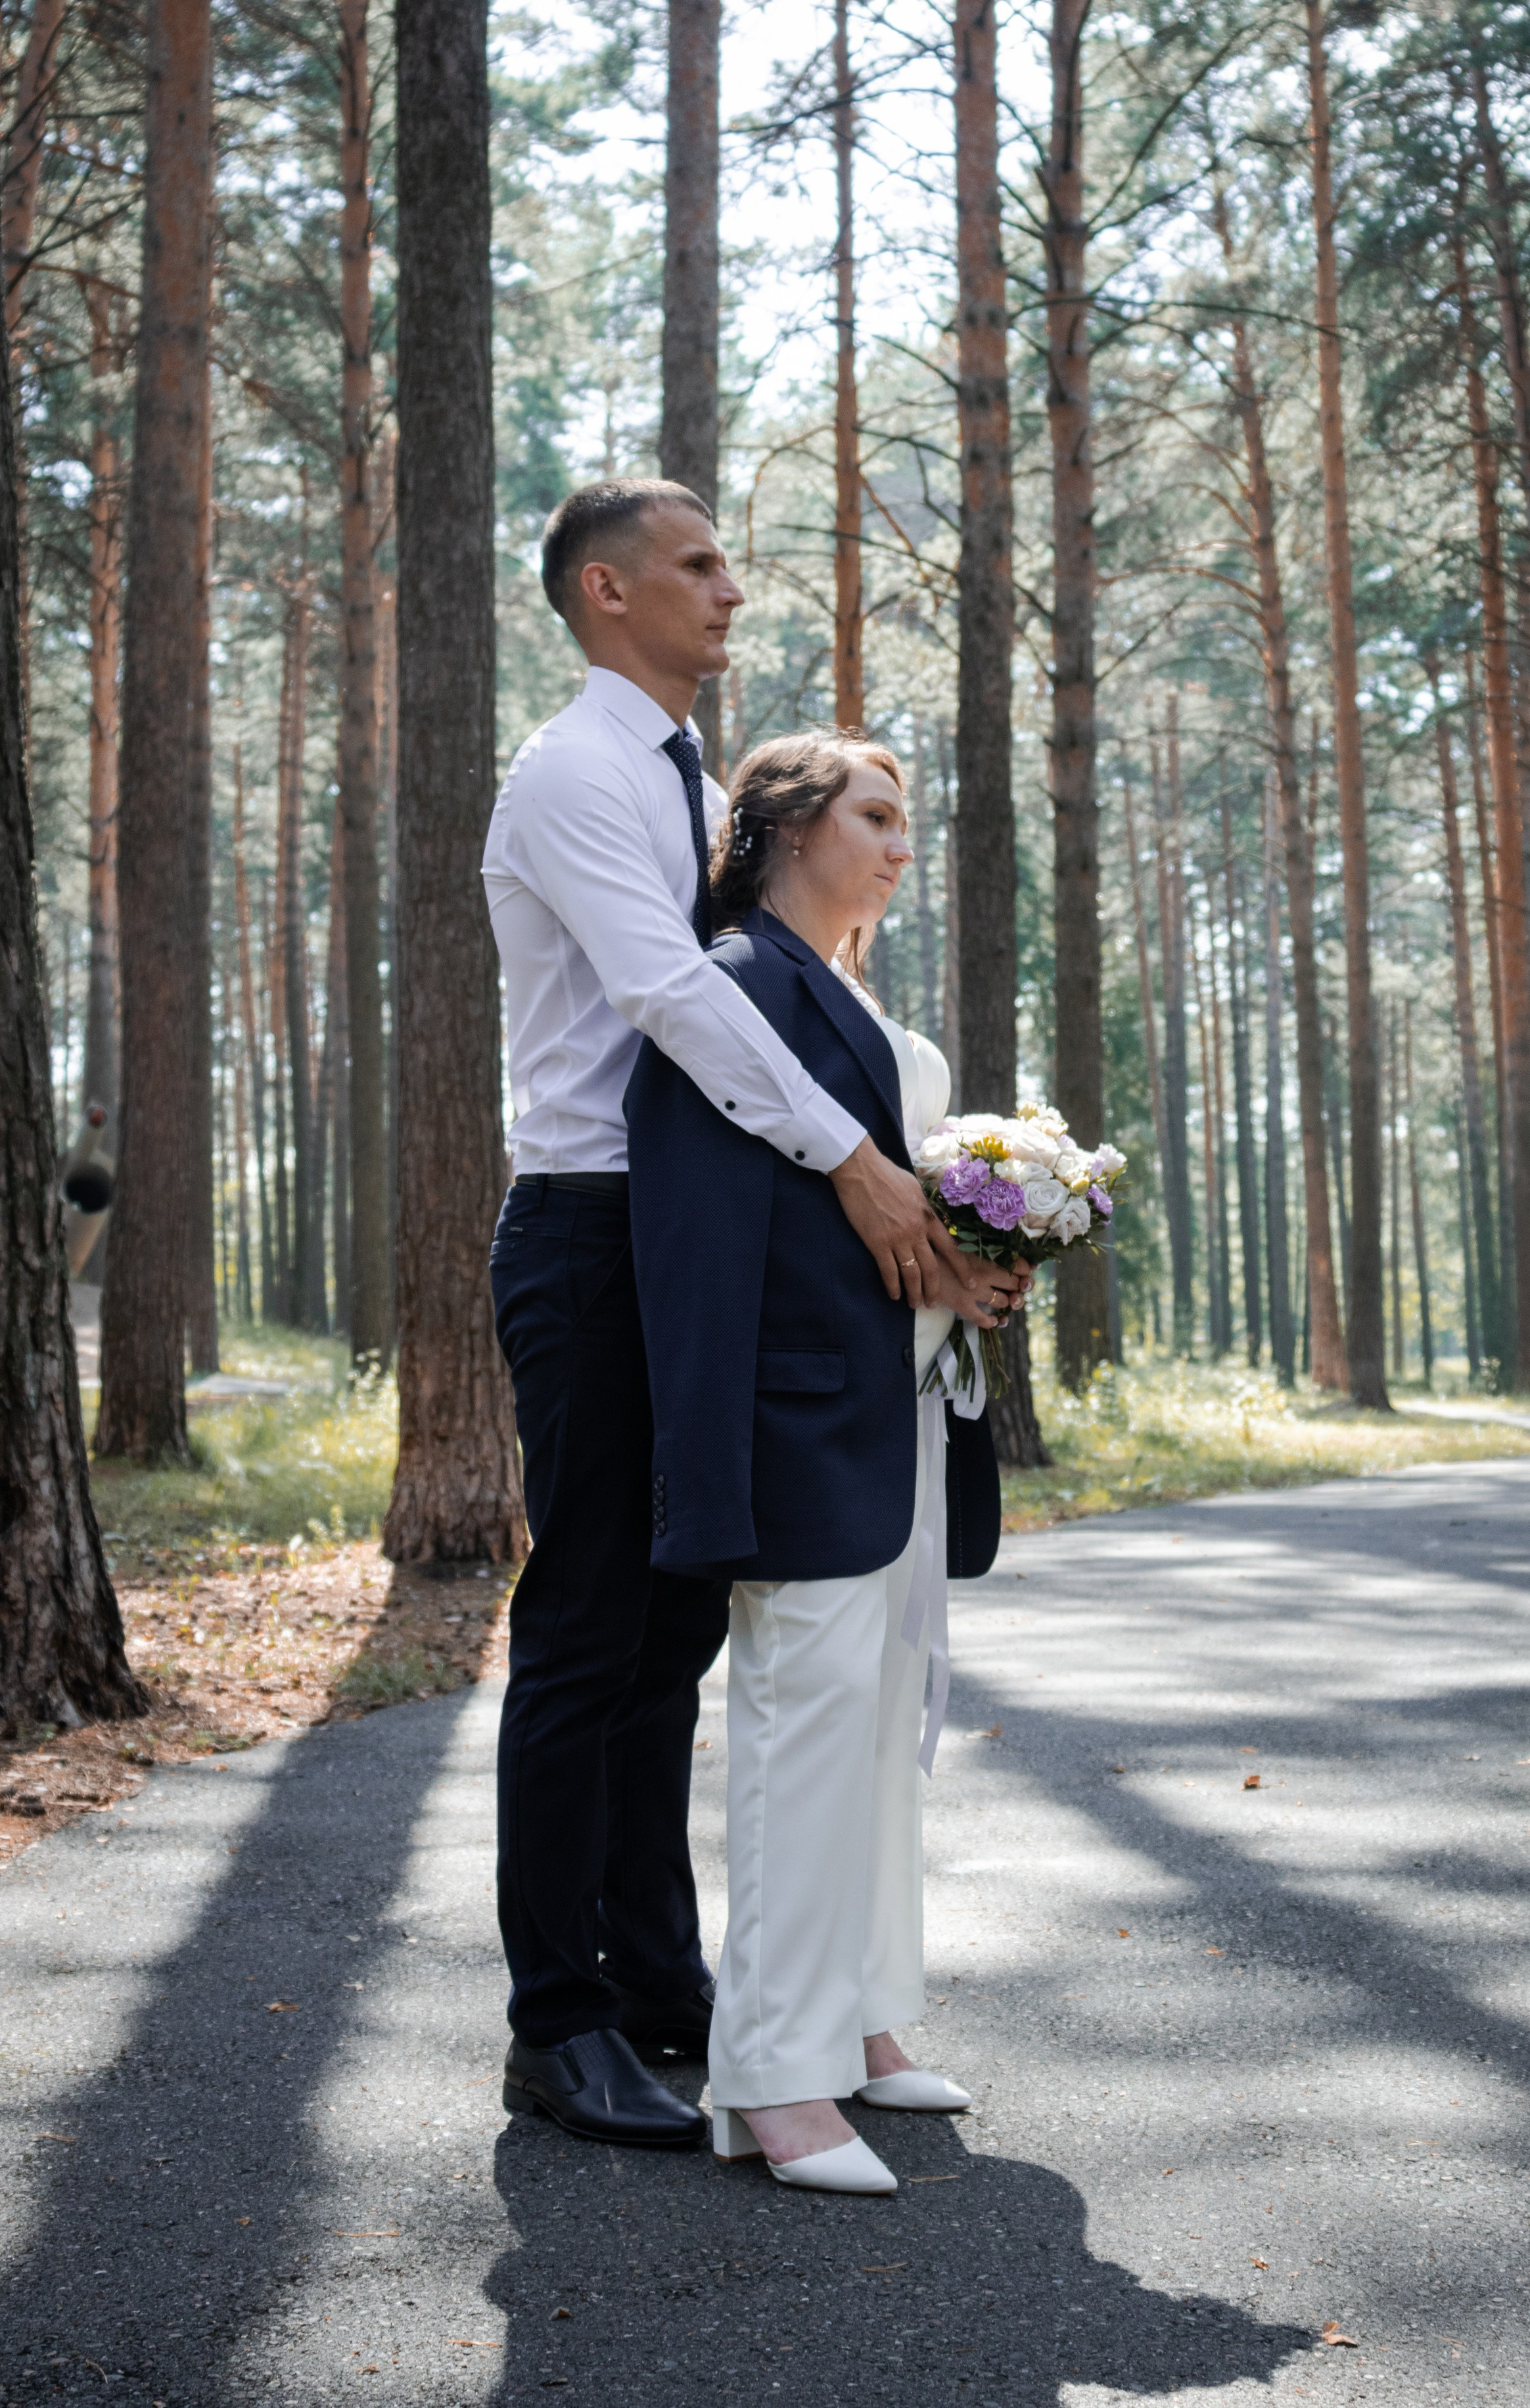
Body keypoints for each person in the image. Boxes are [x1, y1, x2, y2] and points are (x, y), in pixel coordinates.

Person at [482, 478, 1018, 2153]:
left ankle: (660, 1984)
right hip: (584, 1235)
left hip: (689, 1241)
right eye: (696, 566)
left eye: (727, 563)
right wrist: (861, 1169)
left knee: (672, 1631)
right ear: (605, 591)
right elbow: (670, 996)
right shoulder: (573, 772)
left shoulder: (692, 782)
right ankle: (553, 2022)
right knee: (582, 1630)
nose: (730, 590)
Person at [626, 733, 1006, 2195]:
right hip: (795, 1424)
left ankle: (862, 2014)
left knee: (880, 1736)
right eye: (876, 814)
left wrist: (980, 1265)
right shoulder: (734, 991)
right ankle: (773, 2076)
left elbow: (892, 1227)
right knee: (801, 1739)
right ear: (786, 825)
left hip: (900, 1420)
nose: (902, 842)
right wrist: (708, 1461)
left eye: (909, 816)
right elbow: (703, 1252)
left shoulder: (854, 1003)